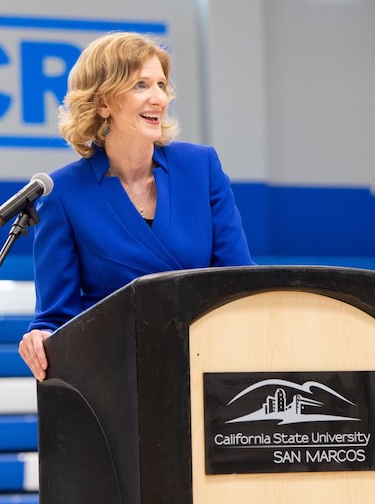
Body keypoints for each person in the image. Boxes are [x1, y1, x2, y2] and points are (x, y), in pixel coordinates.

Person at [18, 32, 253, 381]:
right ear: (102, 103)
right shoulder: (62, 193)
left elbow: (240, 280)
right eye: (141, 85)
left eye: (161, 84)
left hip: (209, 367)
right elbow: (56, 317)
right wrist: (40, 337)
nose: (159, 97)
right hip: (119, 374)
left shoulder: (201, 167)